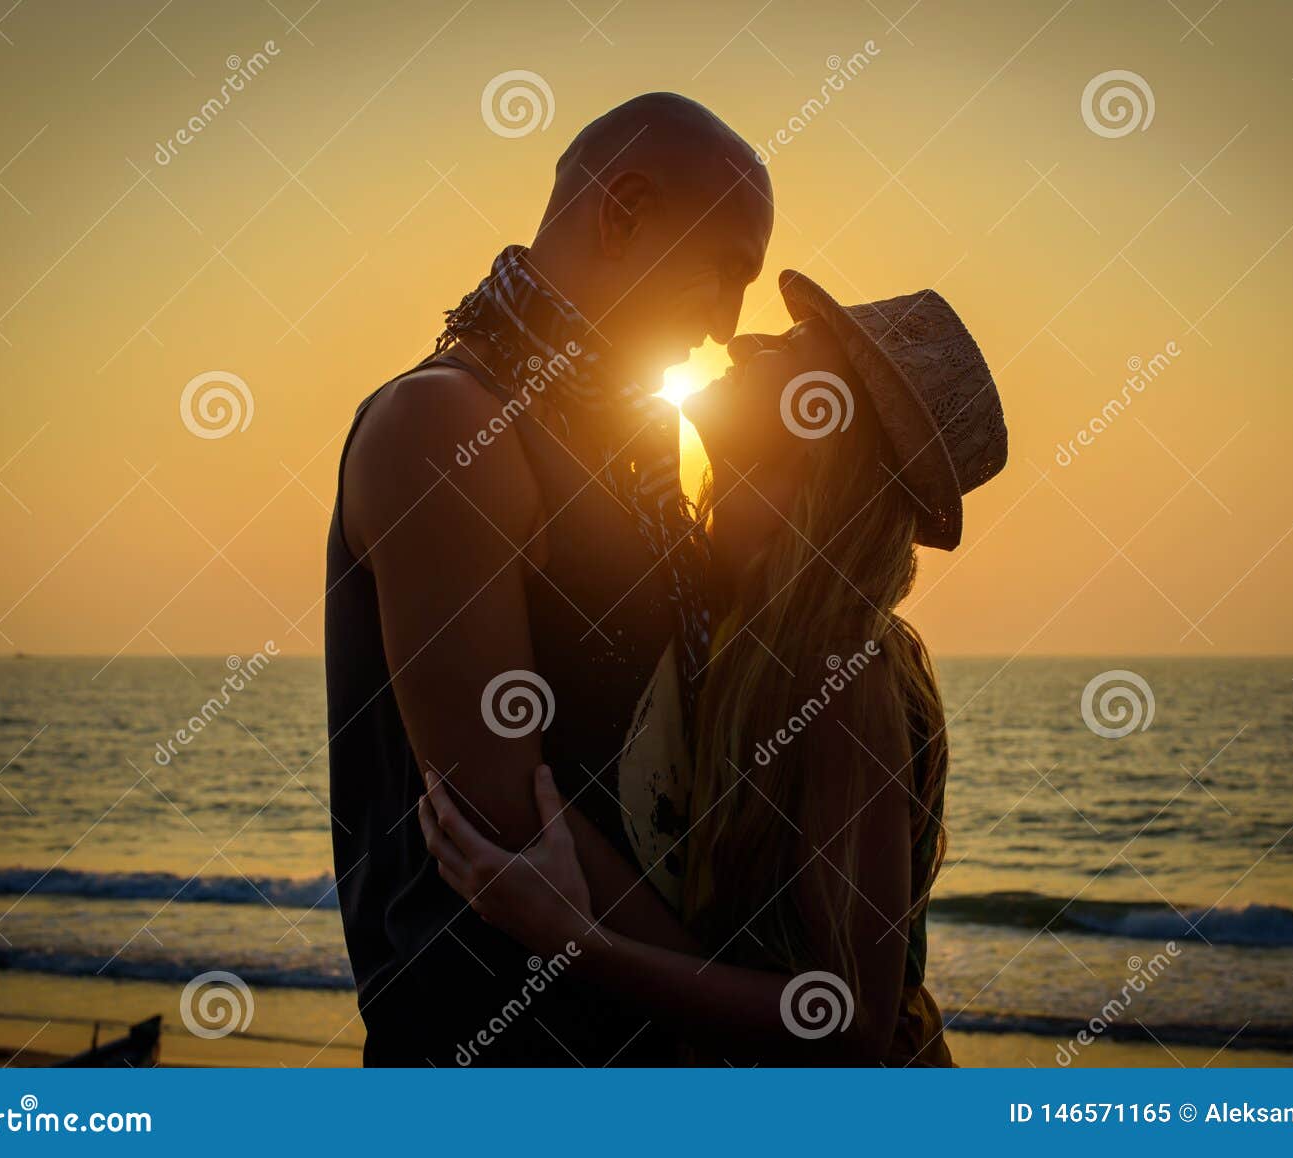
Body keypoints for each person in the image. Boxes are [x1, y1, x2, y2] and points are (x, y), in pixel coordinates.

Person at [419, 269, 1008, 1064]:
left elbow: (851, 1025)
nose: (742, 340)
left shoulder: (843, 671)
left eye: (793, 345)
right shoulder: (724, 612)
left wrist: (576, 942)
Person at [325, 93, 774, 1065]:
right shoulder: (445, 430)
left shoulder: (633, 452)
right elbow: (509, 820)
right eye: (726, 272)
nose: (730, 324)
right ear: (623, 214)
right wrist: (756, 1012)